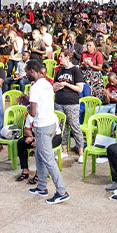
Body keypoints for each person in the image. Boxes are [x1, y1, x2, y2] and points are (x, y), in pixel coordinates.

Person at [26, 59, 69, 204]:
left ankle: (62, 192)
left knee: (48, 160)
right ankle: (42, 187)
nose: (26, 75)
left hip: (43, 126)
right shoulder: (47, 84)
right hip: (51, 124)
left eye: (27, 72)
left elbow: (33, 113)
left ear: (32, 70)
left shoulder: (35, 87)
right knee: (39, 156)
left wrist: (26, 104)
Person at [16, 107, 62, 186]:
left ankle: (39, 174)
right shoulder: (30, 115)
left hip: (53, 137)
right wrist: (31, 137)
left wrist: (39, 141)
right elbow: (27, 129)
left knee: (42, 146)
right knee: (21, 143)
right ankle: (25, 170)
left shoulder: (50, 115)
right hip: (37, 135)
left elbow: (53, 132)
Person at [54, 50, 85, 162]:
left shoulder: (76, 70)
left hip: (71, 103)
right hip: (59, 102)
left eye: (61, 57)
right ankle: (64, 151)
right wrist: (57, 86)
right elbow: (54, 85)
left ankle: (81, 153)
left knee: (75, 126)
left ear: (67, 57)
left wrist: (66, 84)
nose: (60, 59)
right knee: (63, 127)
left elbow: (80, 89)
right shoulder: (60, 70)